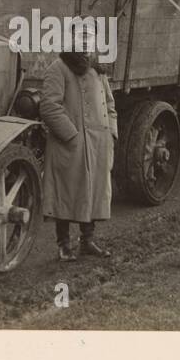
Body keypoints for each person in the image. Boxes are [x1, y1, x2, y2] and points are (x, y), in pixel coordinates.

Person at [37, 26, 118, 262]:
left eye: (89, 37)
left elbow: (110, 105)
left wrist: (111, 132)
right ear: (70, 39)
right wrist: (72, 136)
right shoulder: (58, 68)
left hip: (98, 144)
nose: (84, 43)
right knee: (65, 192)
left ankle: (87, 241)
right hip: (69, 145)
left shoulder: (97, 70)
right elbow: (49, 107)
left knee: (92, 192)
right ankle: (63, 245)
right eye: (80, 37)